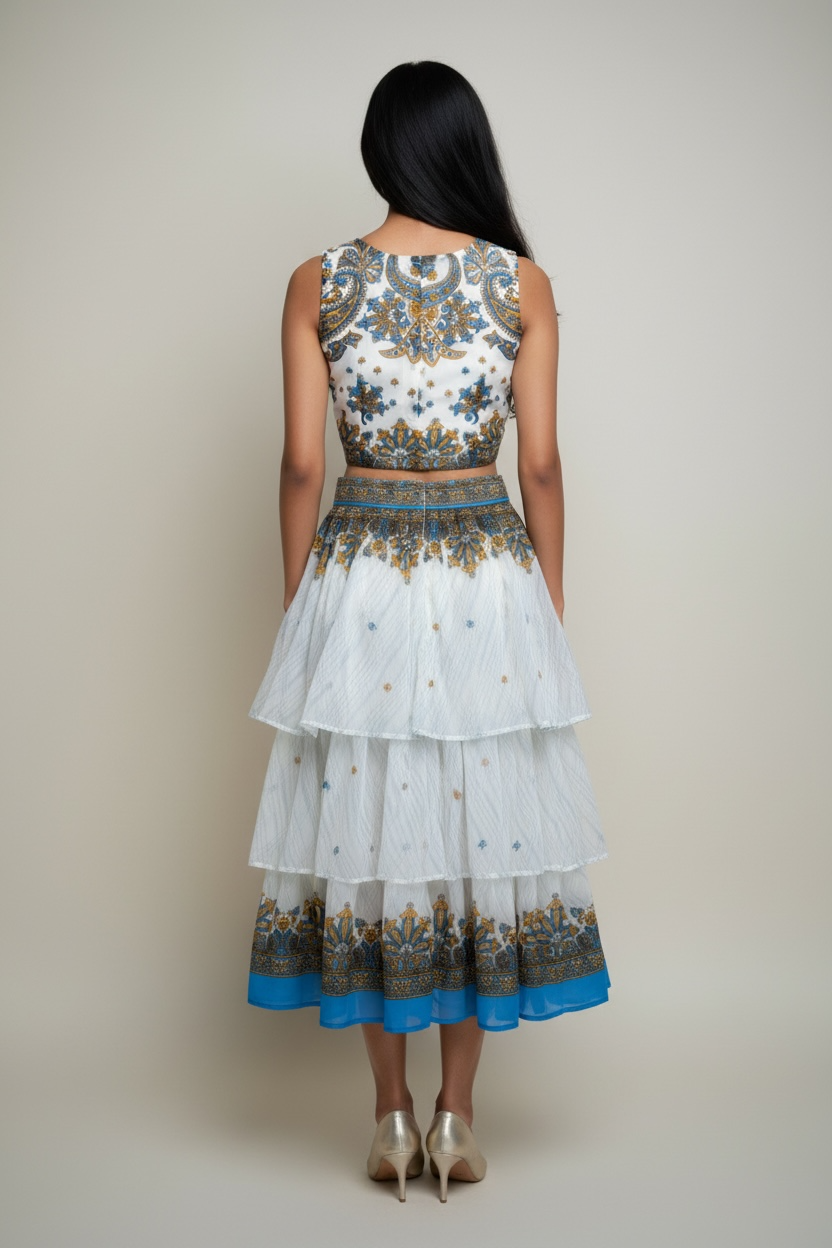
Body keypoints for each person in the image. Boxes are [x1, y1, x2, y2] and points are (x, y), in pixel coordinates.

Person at [244, 60, 611, 1202]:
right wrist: (548, 601)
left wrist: (300, 599)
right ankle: (459, 1118)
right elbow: (539, 464)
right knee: (474, 836)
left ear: (378, 150)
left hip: (358, 573)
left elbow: (301, 463)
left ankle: (389, 1118)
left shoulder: (317, 280)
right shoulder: (520, 284)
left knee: (371, 833)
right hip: (485, 576)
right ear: (466, 148)